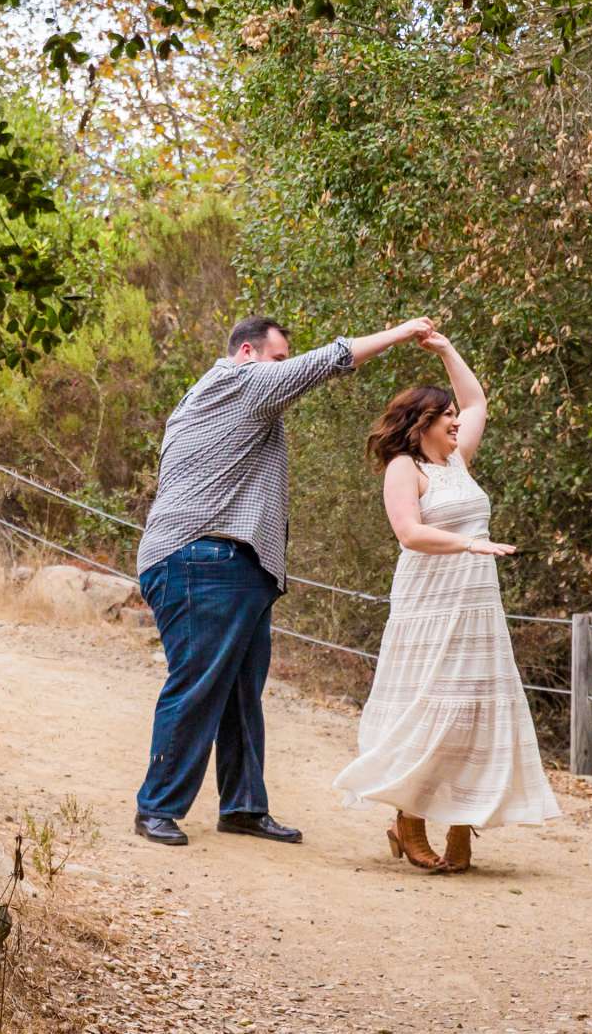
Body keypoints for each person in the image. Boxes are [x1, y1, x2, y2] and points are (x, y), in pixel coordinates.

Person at [133, 313, 436, 847]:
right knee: (199, 685)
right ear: (247, 353)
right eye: (277, 359)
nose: (283, 370)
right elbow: (326, 362)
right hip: (202, 559)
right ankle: (157, 806)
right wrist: (400, 333)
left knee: (239, 693)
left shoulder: (229, 401)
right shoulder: (236, 382)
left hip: (233, 564)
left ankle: (244, 806)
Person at [332, 331, 562, 871]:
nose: (457, 422)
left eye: (454, 416)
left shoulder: (458, 461)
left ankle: (463, 822)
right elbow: (410, 534)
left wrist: (445, 349)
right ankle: (408, 820)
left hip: (477, 608)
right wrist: (468, 542)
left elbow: (479, 400)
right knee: (428, 706)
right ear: (422, 424)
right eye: (445, 417)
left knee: (475, 711)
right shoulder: (404, 469)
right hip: (428, 605)